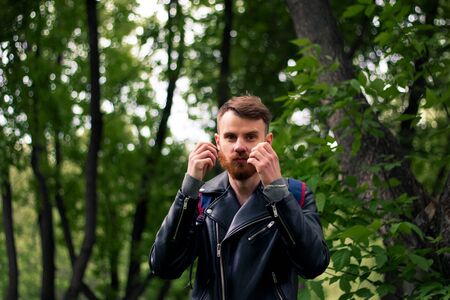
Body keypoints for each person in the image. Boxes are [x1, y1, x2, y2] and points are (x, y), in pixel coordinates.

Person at [149, 95, 329, 300]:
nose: (239, 147)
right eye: (231, 137)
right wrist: (188, 190)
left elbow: (314, 265)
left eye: (250, 137)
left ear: (267, 142)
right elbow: (164, 267)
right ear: (218, 142)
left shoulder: (296, 194)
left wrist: (279, 193)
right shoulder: (199, 199)